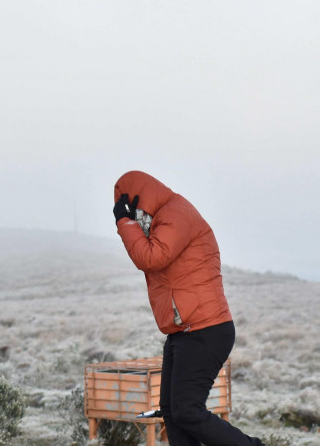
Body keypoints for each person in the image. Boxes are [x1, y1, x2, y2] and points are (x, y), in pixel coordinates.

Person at [113, 170, 264, 446]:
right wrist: (130, 223)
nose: (136, 218)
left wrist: (125, 222)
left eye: (133, 211)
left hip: (206, 329)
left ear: (140, 201)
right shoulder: (161, 221)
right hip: (183, 331)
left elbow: (151, 258)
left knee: (186, 410)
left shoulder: (176, 214)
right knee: (172, 412)